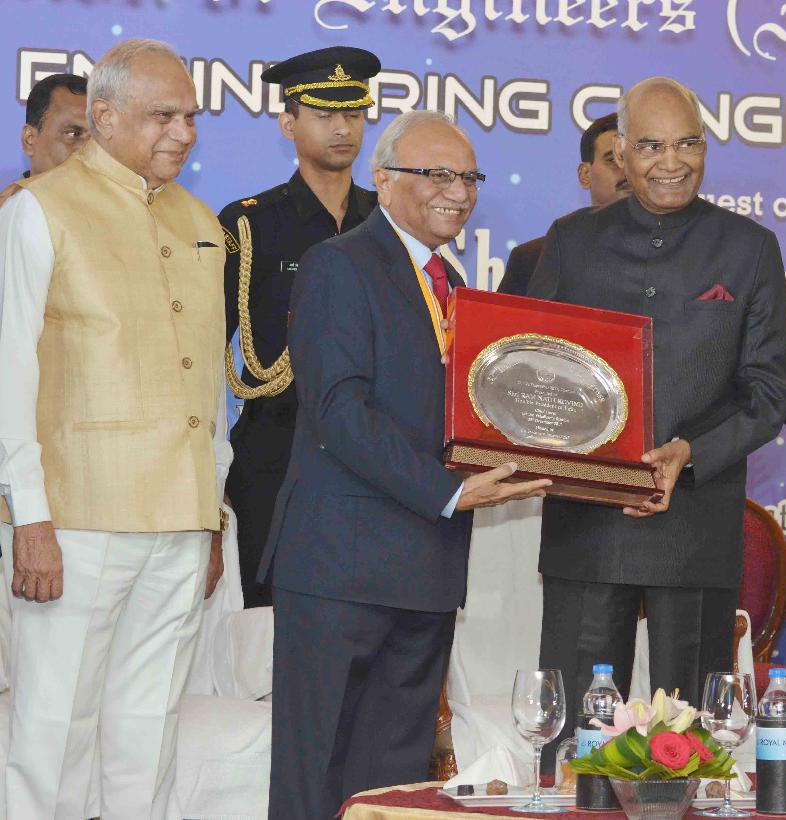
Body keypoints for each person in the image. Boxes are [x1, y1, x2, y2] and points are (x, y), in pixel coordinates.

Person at [260, 110, 551, 818]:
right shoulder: (340, 264)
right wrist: (449, 492)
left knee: (391, 784)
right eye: (438, 174)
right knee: (316, 774)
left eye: (469, 176)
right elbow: (339, 409)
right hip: (341, 569)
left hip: (426, 570)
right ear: (383, 180)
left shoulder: (451, 281)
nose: (459, 191)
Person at [527, 76, 786, 766]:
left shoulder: (749, 247)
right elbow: (535, 371)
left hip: (695, 521)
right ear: (619, 153)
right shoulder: (571, 241)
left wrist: (689, 452)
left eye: (687, 144)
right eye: (650, 146)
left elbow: (768, 393)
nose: (671, 162)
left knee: (690, 744)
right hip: (588, 522)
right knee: (578, 740)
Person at [0, 39, 229, 819]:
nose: (183, 132)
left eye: (190, 117)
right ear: (103, 117)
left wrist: (212, 510)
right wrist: (29, 516)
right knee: (53, 730)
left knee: (149, 728)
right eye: (163, 115)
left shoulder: (202, 222)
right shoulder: (40, 208)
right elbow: (10, 373)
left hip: (181, 517)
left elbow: (209, 384)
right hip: (76, 519)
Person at [219, 46, 381, 608]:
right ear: (288, 124)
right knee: (268, 621)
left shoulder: (386, 222)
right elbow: (206, 347)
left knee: (363, 613)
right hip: (275, 450)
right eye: (324, 114)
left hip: (371, 452)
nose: (342, 128)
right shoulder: (250, 223)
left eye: (353, 113)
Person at [498, 111, 629, 295]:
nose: (627, 171)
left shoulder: (669, 255)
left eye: (634, 161)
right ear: (585, 175)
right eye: (613, 160)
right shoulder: (531, 260)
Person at [0, 72, 89, 206]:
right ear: (29, 139)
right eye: (73, 134)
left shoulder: (114, 213)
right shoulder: (7, 212)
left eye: (97, 138)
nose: (89, 149)